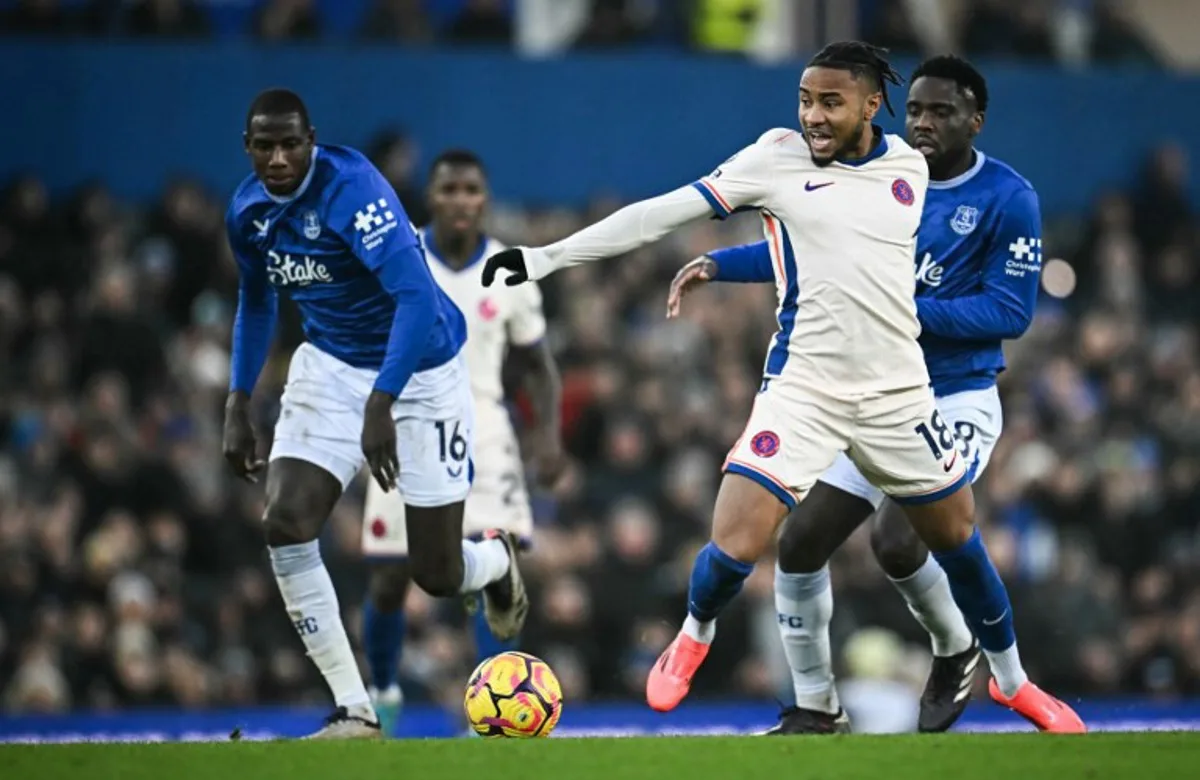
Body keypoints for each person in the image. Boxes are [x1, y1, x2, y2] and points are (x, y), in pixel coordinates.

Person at [482, 42, 1085, 733]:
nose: (813, 116)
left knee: (951, 538)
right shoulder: (775, 158)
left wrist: (889, 309)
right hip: (806, 389)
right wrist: (546, 257)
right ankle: (697, 635)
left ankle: (1010, 681)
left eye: (830, 102)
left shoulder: (911, 171)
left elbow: (858, 250)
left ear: (869, 105)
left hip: (903, 396)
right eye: (805, 99)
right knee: (744, 540)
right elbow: (662, 215)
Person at [667, 55, 1045, 734]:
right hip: (864, 393)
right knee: (802, 540)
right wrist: (719, 263)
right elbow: (809, 257)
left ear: (976, 121)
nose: (925, 124)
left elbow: (1010, 313)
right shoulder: (878, 177)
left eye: (943, 112)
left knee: (900, 539)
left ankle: (956, 649)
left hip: (952, 397)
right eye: (918, 111)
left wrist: (897, 310)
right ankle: (816, 708)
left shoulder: (1007, 197)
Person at [223, 90, 527, 739]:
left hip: (421, 372)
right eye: (264, 146)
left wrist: (381, 404)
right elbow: (256, 303)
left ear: (312, 140)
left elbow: (416, 300)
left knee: (436, 574)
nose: (278, 158)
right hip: (330, 366)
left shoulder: (354, 189)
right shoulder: (247, 212)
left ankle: (495, 561)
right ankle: (354, 708)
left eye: (290, 144)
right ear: (247, 148)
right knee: (285, 521)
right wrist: (238, 400)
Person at [359, 150, 563, 733]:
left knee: (496, 565)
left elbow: (537, 365)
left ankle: (492, 716)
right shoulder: (402, 257)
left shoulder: (509, 268)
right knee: (392, 574)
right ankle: (383, 697)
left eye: (471, 189)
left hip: (486, 430)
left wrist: (548, 437)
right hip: (408, 424)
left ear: (485, 198)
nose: (459, 200)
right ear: (431, 196)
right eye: (448, 189)